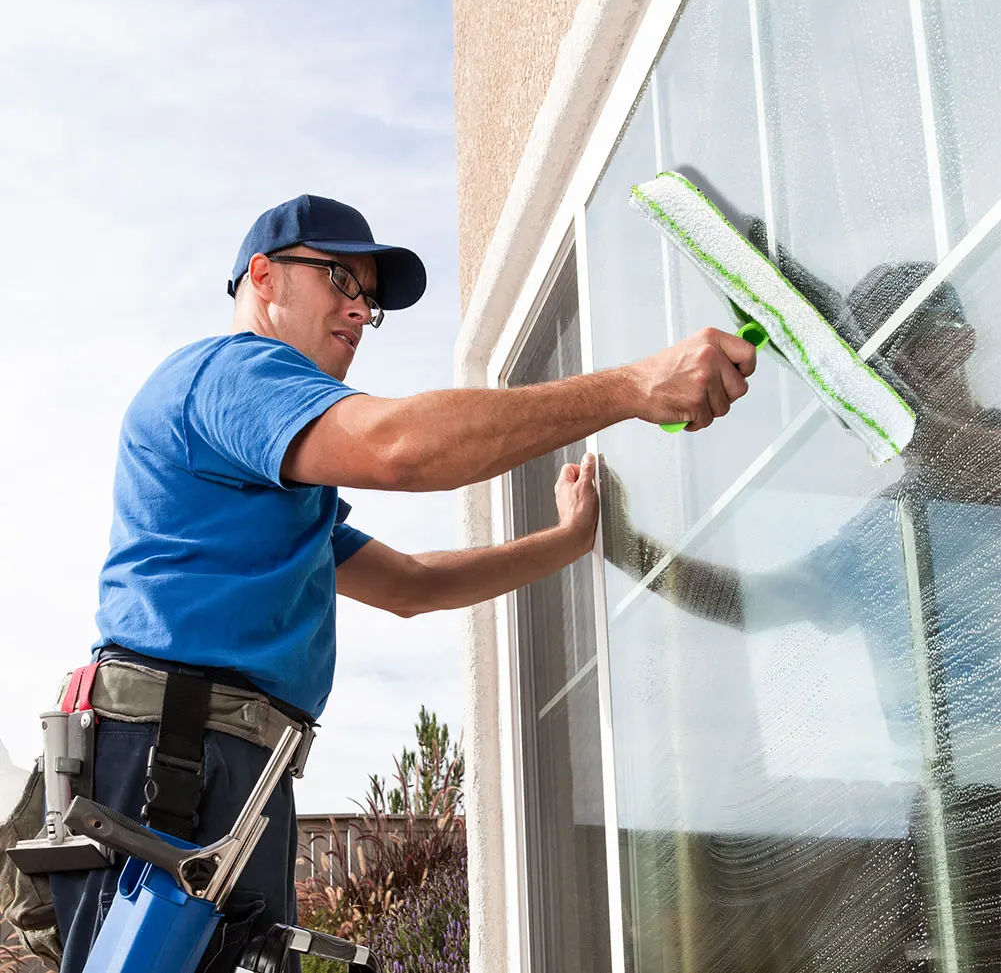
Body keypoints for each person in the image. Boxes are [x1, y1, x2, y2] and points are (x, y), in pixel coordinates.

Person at [46, 193, 757, 972]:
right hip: (173, 761)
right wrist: (630, 388)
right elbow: (399, 448)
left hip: (222, 763)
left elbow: (410, 584)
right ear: (264, 276)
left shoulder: (276, 490)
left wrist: (565, 542)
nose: (360, 312)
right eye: (341, 282)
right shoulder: (236, 373)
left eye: (371, 301)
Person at [601, 257, 1001, 967]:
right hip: (951, 807)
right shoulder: (882, 529)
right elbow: (755, 602)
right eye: (878, 351)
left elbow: (978, 466)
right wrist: (631, 549)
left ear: (964, 340)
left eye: (910, 336)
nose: (898, 361)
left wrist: (890, 406)